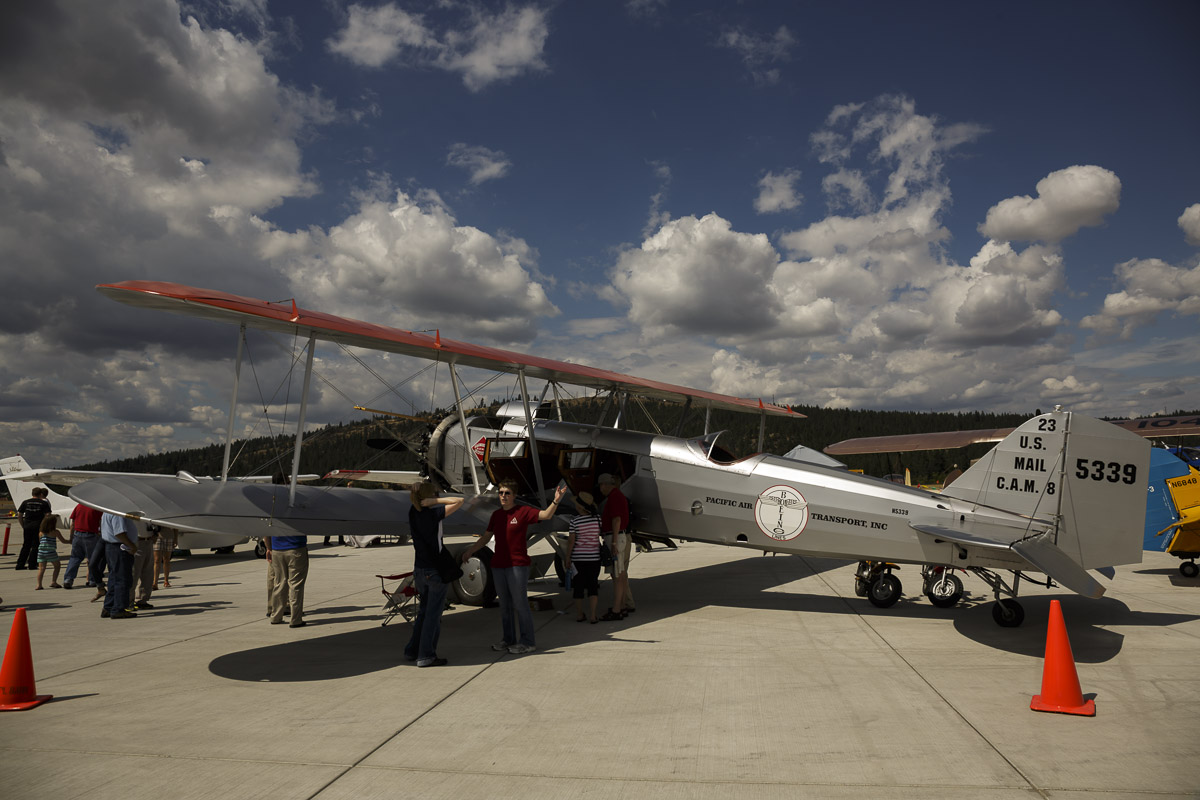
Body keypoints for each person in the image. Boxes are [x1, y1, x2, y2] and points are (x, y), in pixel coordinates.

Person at [462, 479, 566, 655]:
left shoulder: (523, 511)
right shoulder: (496, 515)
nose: (503, 496)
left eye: (507, 493)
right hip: (499, 565)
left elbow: (546, 515)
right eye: (501, 493)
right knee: (505, 605)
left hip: (517, 566)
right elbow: (486, 537)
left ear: (514, 496)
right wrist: (471, 551)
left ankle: (528, 641)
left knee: (520, 603)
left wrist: (556, 500)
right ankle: (508, 639)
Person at [404, 481, 464, 667]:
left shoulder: (413, 513)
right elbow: (459, 501)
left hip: (420, 569)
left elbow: (416, 503)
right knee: (433, 615)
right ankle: (426, 655)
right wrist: (436, 500)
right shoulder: (434, 514)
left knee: (423, 612)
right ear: (429, 497)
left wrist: (422, 494)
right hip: (434, 570)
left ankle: (412, 650)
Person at [598, 473, 634, 621]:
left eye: (601, 485)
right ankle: (623, 605)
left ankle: (617, 609)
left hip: (616, 537)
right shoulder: (618, 496)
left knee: (617, 575)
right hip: (620, 536)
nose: (600, 489)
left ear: (605, 485)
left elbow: (616, 519)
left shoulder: (614, 497)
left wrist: (613, 542)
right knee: (621, 573)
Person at [564, 492, 602, 624]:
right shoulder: (598, 519)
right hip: (594, 557)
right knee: (593, 586)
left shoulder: (575, 521)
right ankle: (593, 615)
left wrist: (568, 557)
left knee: (578, 587)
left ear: (580, 507)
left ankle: (580, 614)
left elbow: (571, 541)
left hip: (578, 558)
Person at [100, 512, 139, 619]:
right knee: (123, 579)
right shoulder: (117, 513)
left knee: (114, 578)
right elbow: (119, 533)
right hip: (120, 548)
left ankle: (109, 607)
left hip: (111, 547)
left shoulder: (106, 511)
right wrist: (132, 546)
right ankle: (119, 609)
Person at [269, 534, 308, 628]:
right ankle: (295, 619)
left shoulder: (273, 518)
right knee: (296, 585)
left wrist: (269, 548)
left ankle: (276, 616)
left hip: (277, 549)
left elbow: (267, 533)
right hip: (296, 547)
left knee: (279, 583)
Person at [63, 502, 103, 589]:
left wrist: (71, 536)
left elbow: (73, 523)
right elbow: (100, 522)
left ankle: (68, 579)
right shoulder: (95, 507)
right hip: (91, 535)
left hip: (77, 534)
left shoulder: (79, 506)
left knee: (75, 558)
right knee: (93, 559)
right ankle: (92, 580)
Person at [15, 487, 51, 570]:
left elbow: (19, 515)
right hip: (38, 526)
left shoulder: (25, 502)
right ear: (40, 494)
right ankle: (32, 564)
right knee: (36, 546)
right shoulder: (43, 503)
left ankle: (20, 564)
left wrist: (23, 525)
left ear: (32, 493)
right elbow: (48, 515)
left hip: (27, 526)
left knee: (26, 545)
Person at [35, 515, 71, 589]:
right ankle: (53, 581)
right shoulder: (55, 532)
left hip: (41, 551)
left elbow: (40, 542)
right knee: (57, 566)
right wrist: (70, 541)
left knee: (41, 569)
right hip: (51, 551)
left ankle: (39, 585)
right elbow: (63, 541)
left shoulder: (41, 532)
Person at [130, 524, 158, 610]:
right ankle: (129, 601)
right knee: (134, 574)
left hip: (148, 541)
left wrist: (156, 534)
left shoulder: (148, 512)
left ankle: (142, 600)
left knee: (148, 573)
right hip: (136, 541)